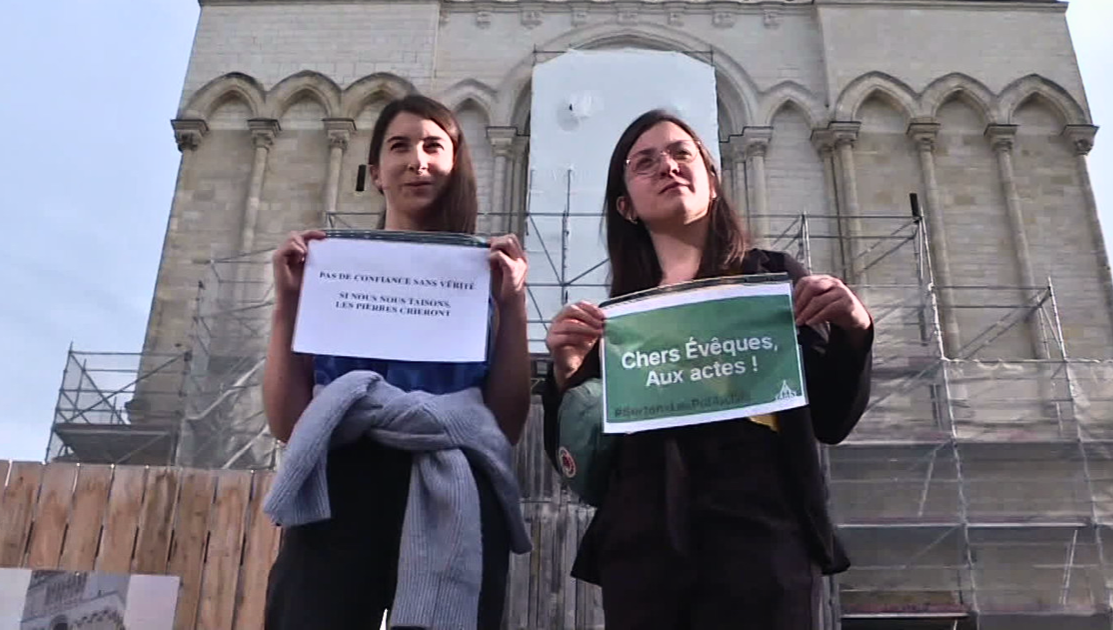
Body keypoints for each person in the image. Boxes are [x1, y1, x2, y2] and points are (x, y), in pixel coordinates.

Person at [542, 109, 874, 630]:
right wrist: (566, 374)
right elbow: (575, 459)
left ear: (713, 181)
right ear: (626, 206)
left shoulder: (770, 281)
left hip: (761, 536)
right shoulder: (616, 321)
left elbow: (832, 418)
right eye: (644, 162)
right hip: (643, 544)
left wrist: (854, 327)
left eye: (681, 153)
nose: (667, 167)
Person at [262, 94, 531, 630]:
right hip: (342, 488)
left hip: (455, 489)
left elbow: (505, 423)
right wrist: (288, 300)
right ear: (375, 173)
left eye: (434, 145)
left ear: (456, 165)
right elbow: (288, 422)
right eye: (399, 146)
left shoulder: (487, 271)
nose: (417, 160)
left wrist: (513, 302)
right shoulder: (330, 269)